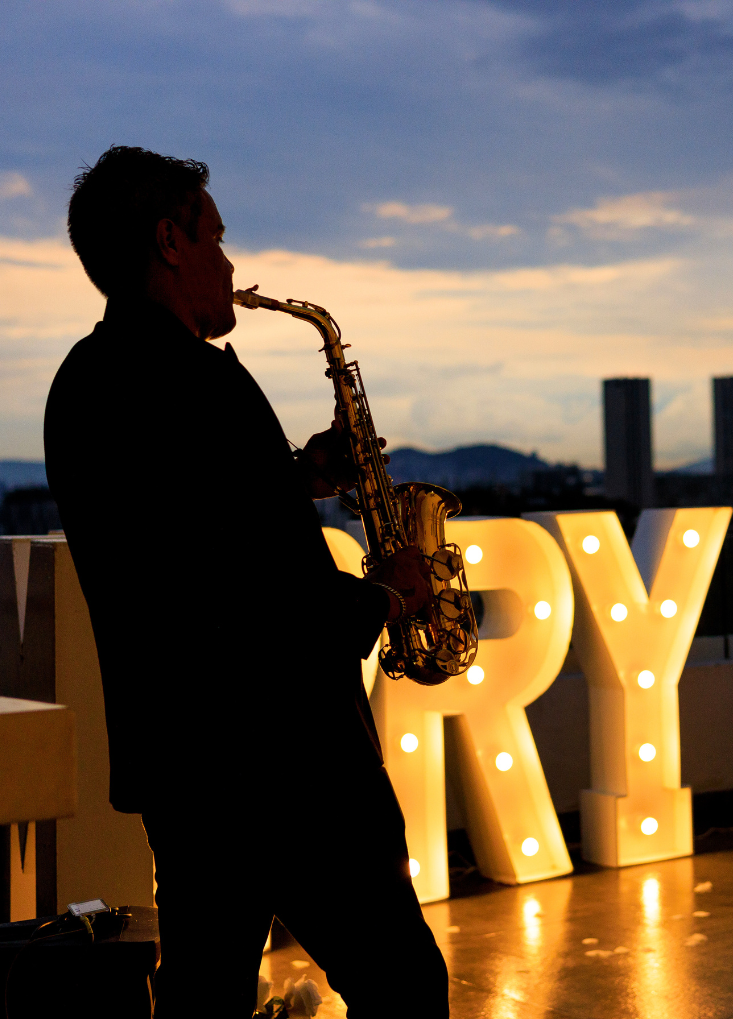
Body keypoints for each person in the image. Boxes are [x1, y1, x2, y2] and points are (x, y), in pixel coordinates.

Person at [44, 146, 449, 1017]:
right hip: (290, 761)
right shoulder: (203, 382)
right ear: (170, 242)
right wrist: (391, 591)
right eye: (217, 238)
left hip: (185, 763)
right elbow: (262, 606)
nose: (233, 266)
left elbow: (180, 533)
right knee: (404, 987)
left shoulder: (82, 381)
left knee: (204, 999)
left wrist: (296, 477)